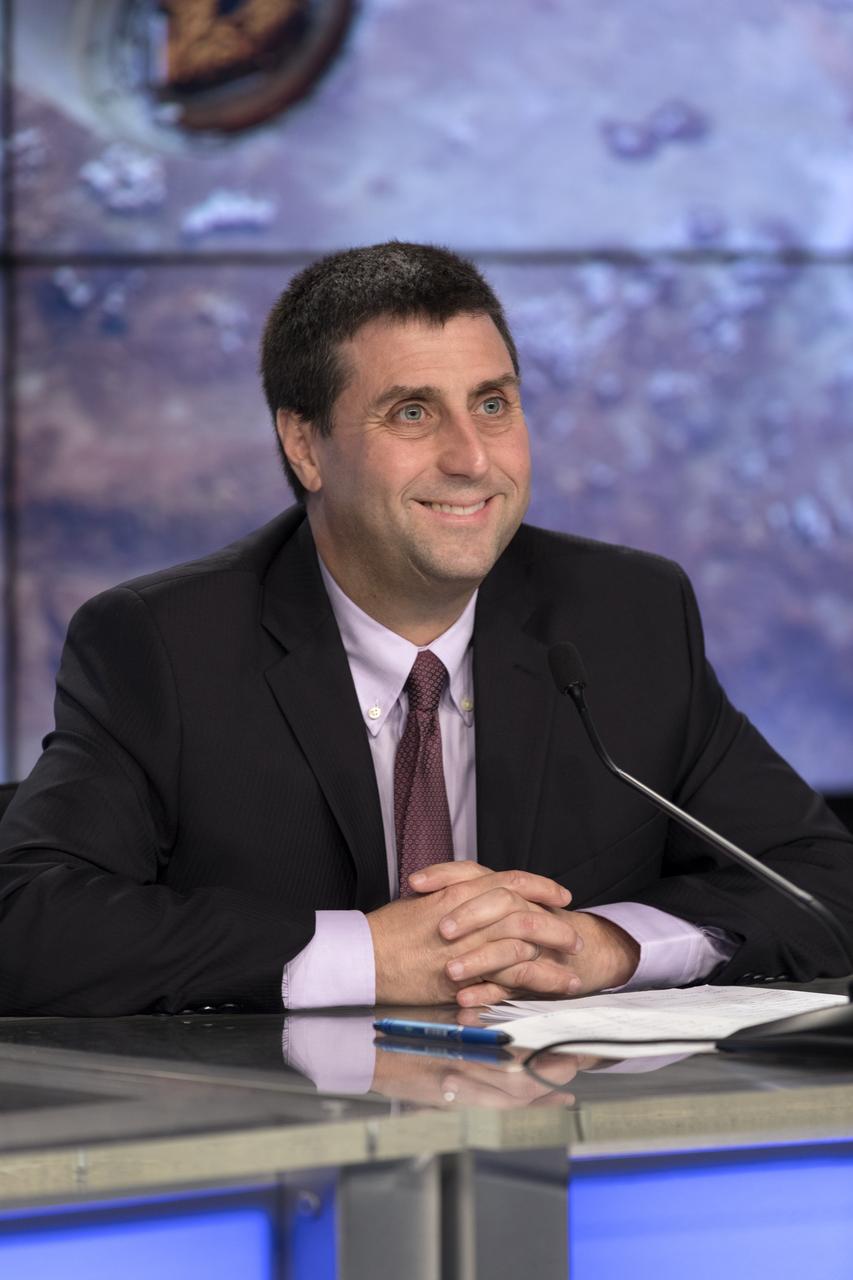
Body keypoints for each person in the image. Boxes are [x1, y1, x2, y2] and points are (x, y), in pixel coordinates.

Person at [1, 241, 851, 1017]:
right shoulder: (167, 645)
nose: (472, 458)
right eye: (411, 413)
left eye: (492, 404)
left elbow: (824, 884)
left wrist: (610, 946)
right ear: (304, 445)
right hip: (285, 1144)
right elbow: (27, 923)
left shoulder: (625, 614)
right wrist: (366, 956)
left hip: (562, 1142)